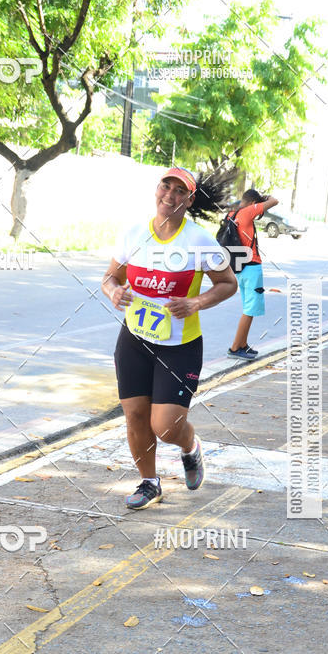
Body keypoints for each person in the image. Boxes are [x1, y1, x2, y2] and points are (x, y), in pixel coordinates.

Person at [101, 167, 237, 510]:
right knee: (135, 415)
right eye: (166, 186)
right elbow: (109, 278)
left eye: (180, 191)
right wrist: (114, 291)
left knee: (165, 427)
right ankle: (149, 482)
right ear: (157, 189)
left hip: (179, 346)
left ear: (189, 200)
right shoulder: (134, 234)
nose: (170, 195)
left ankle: (190, 446)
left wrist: (196, 302)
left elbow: (228, 284)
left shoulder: (200, 241)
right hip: (134, 339)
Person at [227, 189, 278, 360]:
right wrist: (264, 199)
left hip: (240, 267)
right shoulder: (248, 211)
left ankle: (243, 344)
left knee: (248, 307)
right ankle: (235, 348)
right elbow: (274, 201)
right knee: (250, 309)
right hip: (252, 266)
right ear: (253, 203)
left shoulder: (232, 214)